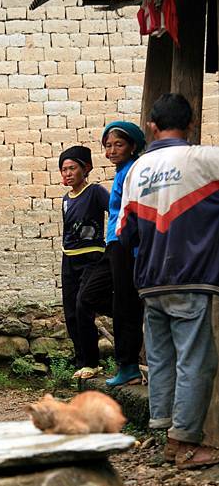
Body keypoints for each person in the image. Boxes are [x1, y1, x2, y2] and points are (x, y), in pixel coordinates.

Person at [117, 93, 219, 469]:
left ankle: (165, 437)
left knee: (161, 360)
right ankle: (187, 442)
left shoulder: (135, 171)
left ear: (152, 127)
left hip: (149, 280)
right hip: (192, 276)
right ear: (191, 125)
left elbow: (124, 233)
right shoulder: (206, 159)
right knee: (196, 361)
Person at [77, 122, 146, 386]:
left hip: (125, 243)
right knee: (88, 297)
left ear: (132, 146)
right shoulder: (121, 172)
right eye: (108, 146)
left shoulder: (133, 172)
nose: (112, 150)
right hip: (113, 244)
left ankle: (127, 366)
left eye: (119, 144)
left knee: (123, 302)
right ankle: (134, 312)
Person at [59, 145, 110, 380]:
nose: (67, 173)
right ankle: (81, 362)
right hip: (69, 258)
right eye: (63, 169)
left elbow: (115, 212)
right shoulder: (65, 199)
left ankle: (92, 362)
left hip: (92, 257)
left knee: (83, 306)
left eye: (72, 168)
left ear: (86, 168)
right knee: (70, 312)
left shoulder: (96, 192)